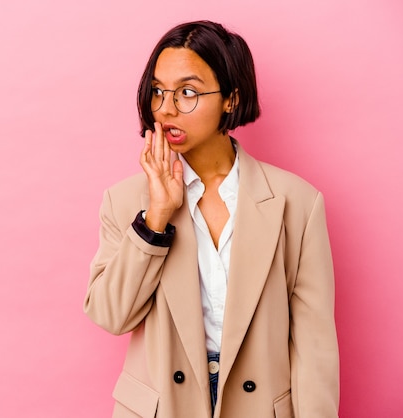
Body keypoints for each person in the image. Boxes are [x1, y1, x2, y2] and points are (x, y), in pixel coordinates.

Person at [83, 20, 339, 418]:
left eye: (187, 92)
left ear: (231, 99)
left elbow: (314, 345)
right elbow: (110, 315)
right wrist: (155, 220)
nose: (166, 109)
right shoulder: (125, 201)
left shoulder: (298, 203)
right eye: (157, 91)